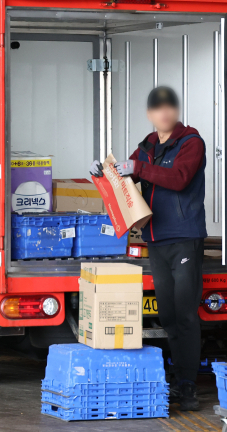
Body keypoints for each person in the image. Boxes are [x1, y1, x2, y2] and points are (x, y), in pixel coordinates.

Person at [90, 86, 207, 411]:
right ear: (151, 114)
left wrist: (136, 168)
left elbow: (179, 178)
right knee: (167, 314)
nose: (164, 113)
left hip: (184, 237)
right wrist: (103, 172)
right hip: (155, 239)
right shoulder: (147, 146)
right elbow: (125, 178)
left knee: (184, 314)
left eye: (169, 108)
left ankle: (187, 386)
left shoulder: (191, 142)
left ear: (175, 112)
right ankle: (173, 379)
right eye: (157, 109)